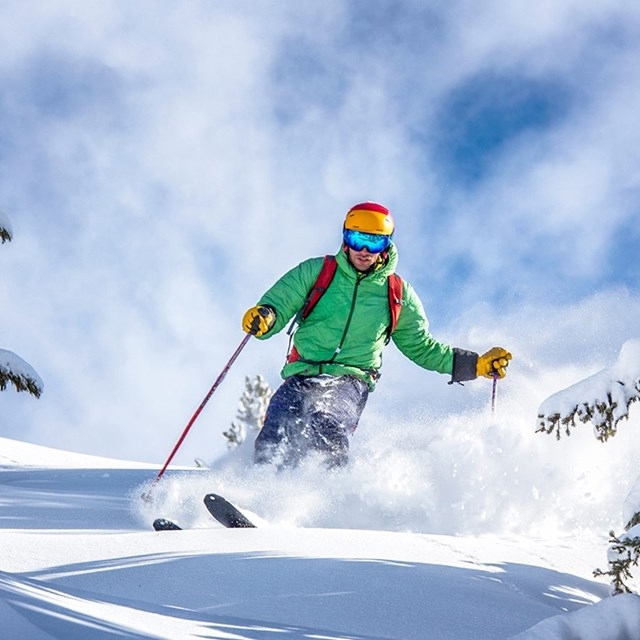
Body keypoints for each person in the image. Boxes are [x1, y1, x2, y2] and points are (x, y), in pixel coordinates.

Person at [241, 202, 512, 468]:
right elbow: (281, 302)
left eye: (375, 243)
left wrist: (475, 365)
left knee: (325, 422)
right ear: (345, 238)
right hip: (303, 373)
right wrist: (266, 316)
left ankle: (326, 493)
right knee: (277, 426)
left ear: (387, 245)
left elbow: (422, 347)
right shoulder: (318, 271)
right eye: (357, 239)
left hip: (350, 380)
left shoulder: (396, 293)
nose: (364, 251)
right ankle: (263, 489)